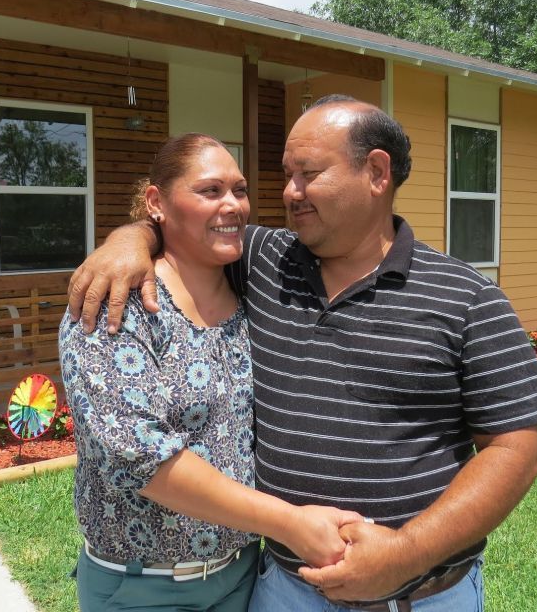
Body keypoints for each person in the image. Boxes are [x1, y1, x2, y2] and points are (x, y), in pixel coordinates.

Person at [66, 99, 537, 611]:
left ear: (375, 172)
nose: (288, 193)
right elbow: (184, 229)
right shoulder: (261, 261)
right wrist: (129, 239)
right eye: (286, 175)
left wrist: (405, 553)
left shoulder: (466, 297)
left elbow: (515, 452)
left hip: (420, 597)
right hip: (284, 590)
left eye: (308, 174)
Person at [59, 132, 361, 612]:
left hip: (241, 575)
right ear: (156, 201)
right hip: (145, 588)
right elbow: (137, 456)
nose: (233, 205)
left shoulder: (250, 295)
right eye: (210, 190)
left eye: (239, 190)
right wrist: (289, 523)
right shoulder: (117, 303)